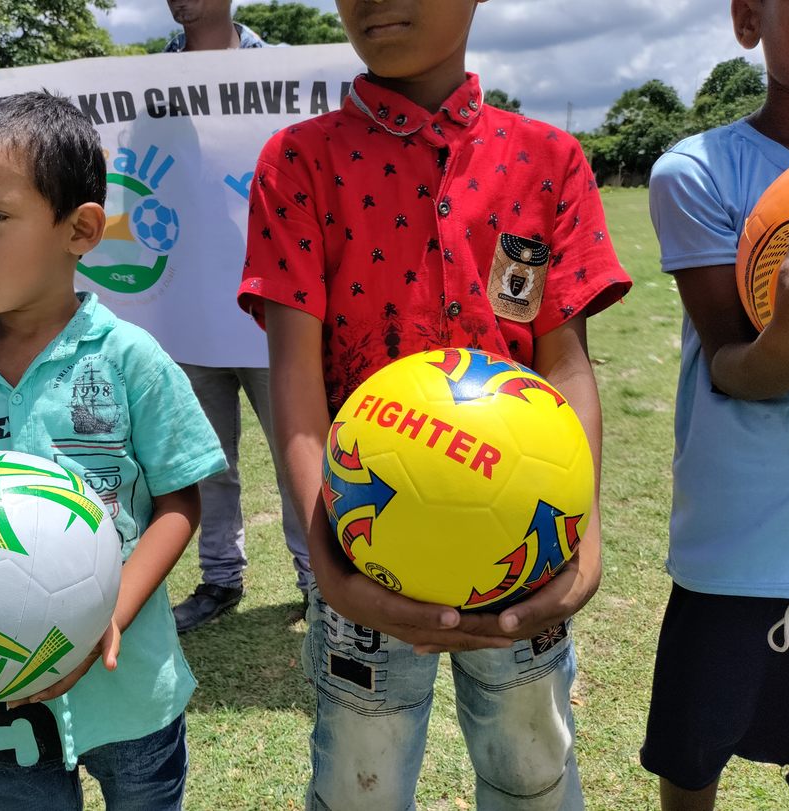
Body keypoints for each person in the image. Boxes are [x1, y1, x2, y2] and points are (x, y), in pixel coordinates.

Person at [237, 1, 633, 807]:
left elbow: (565, 366)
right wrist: (330, 565)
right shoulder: (298, 161)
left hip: (524, 551)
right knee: (360, 785)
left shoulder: (548, 159)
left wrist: (583, 541)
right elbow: (296, 383)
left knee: (533, 773)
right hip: (364, 549)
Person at [0, 91, 226, 810]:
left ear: (81, 229)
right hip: (1, 702)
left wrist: (111, 612)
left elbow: (179, 501)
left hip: (131, 687)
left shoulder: (130, 358)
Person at [639, 1, 789, 808]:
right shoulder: (697, 171)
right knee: (693, 754)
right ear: (749, 19)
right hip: (739, 547)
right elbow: (737, 368)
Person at [163, 0, 312, 633]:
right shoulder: (144, 87)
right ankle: (220, 578)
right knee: (208, 463)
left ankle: (317, 582)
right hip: (186, 314)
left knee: (298, 453)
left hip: (275, 317)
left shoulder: (285, 75)